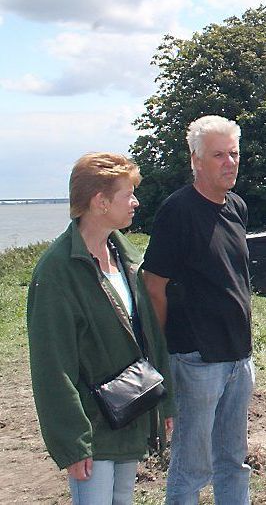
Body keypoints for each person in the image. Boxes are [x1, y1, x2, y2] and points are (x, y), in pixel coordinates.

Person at [27, 152, 173, 505]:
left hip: (130, 412)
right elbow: (52, 366)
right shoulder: (56, 272)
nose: (136, 202)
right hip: (93, 426)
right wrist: (72, 441)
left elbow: (151, 337)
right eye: (128, 194)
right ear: (100, 201)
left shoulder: (127, 258)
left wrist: (165, 406)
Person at [141, 115, 254, 504]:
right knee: (192, 467)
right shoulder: (178, 211)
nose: (230, 162)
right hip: (197, 359)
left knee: (234, 462)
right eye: (219, 155)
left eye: (234, 153)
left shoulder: (236, 206)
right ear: (196, 160)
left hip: (239, 357)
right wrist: (159, 354)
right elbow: (153, 283)